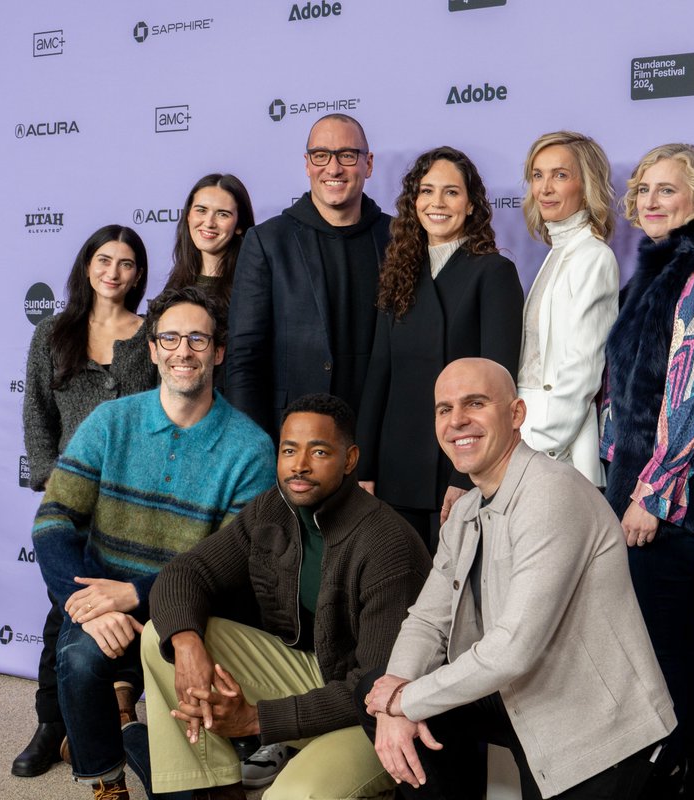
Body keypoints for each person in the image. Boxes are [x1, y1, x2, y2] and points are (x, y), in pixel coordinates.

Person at [357, 358, 675, 800]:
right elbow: (428, 620)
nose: (457, 421)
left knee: (403, 700)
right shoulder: (467, 511)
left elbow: (513, 648)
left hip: (596, 727)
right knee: (373, 687)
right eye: (444, 409)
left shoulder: (550, 493)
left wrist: (404, 701)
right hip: (524, 694)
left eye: (475, 403)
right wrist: (393, 701)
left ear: (516, 415)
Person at [32, 286, 276, 800]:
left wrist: (134, 595)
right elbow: (53, 521)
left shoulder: (250, 448)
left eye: (196, 339)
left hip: (193, 608)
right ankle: (106, 783)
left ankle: (139, 743)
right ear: (152, 349)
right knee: (78, 658)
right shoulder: (109, 422)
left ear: (218, 351)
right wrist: (90, 606)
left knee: (188, 791)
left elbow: (229, 567)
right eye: (169, 338)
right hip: (102, 595)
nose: (182, 351)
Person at [141, 392, 431, 800]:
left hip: (377, 714)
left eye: (319, 452)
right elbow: (186, 572)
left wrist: (257, 721)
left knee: (289, 796)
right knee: (163, 635)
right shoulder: (272, 510)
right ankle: (219, 790)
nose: (299, 465)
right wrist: (187, 645)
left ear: (349, 460)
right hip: (311, 672)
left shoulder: (386, 544)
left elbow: (377, 685)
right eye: (289, 450)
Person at [600, 143, 694, 796]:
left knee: (669, 650)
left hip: (667, 501)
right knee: (654, 649)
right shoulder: (653, 272)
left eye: (668, 189)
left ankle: (689, 777)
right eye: (643, 191)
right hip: (633, 490)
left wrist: (654, 494)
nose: (651, 202)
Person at [14, 225, 156, 779]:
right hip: (68, 501)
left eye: (125, 263)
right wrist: (52, 482)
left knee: (120, 607)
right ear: (87, 265)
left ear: (138, 274)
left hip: (131, 501)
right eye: (104, 260)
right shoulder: (53, 333)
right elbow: (36, 416)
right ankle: (52, 725)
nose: (113, 272)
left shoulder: (150, 335)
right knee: (64, 612)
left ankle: (110, 718)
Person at [356, 146, 523, 548]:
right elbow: (379, 373)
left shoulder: (494, 273)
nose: (437, 203)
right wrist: (364, 467)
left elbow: (497, 386)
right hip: (397, 470)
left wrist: (464, 476)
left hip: (456, 466)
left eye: (451, 192)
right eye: (427, 191)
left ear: (470, 206)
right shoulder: (398, 273)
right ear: (413, 203)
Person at [225, 114, 390, 436]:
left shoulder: (398, 237)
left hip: (382, 436)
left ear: (368, 164)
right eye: (321, 155)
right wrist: (252, 448)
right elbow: (245, 357)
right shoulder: (268, 241)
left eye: (347, 155)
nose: (333, 168)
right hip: (291, 436)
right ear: (307, 164)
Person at [516, 131, 619, 485]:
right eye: (537, 175)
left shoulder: (593, 256)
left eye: (560, 175)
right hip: (526, 435)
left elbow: (583, 369)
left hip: (555, 450)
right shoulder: (558, 251)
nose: (545, 188)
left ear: (586, 185)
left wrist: (538, 444)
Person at [163, 173, 255, 301]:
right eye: (201, 210)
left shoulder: (252, 287)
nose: (209, 223)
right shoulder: (175, 285)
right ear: (188, 216)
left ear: (239, 225)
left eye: (223, 214)